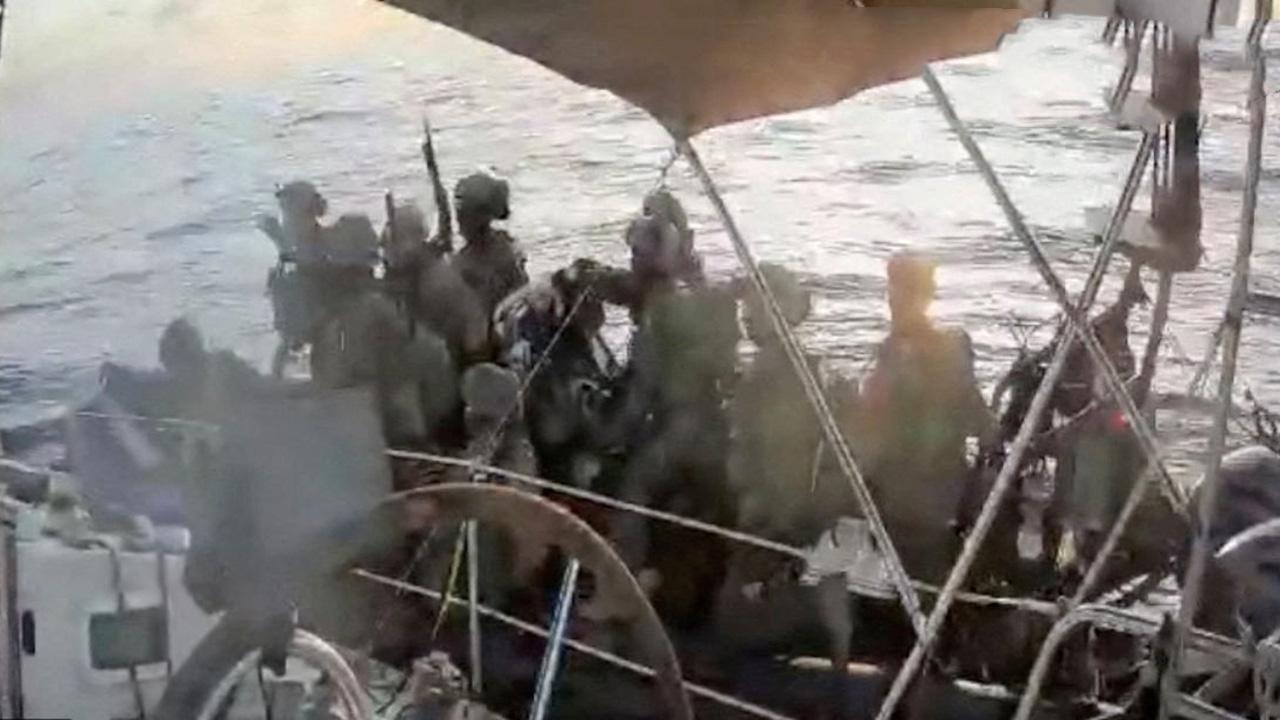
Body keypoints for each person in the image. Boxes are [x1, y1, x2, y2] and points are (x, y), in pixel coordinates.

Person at [858, 252, 992, 583]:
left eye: (900, 292)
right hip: (936, 499)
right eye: (892, 291)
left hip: (910, 501)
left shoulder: (902, 354)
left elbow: (872, 431)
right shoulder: (948, 348)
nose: (893, 301)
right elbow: (983, 426)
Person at [452, 172, 528, 318]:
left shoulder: (504, 256)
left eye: (464, 215)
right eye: (458, 214)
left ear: (481, 218)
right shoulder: (507, 246)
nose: (458, 221)